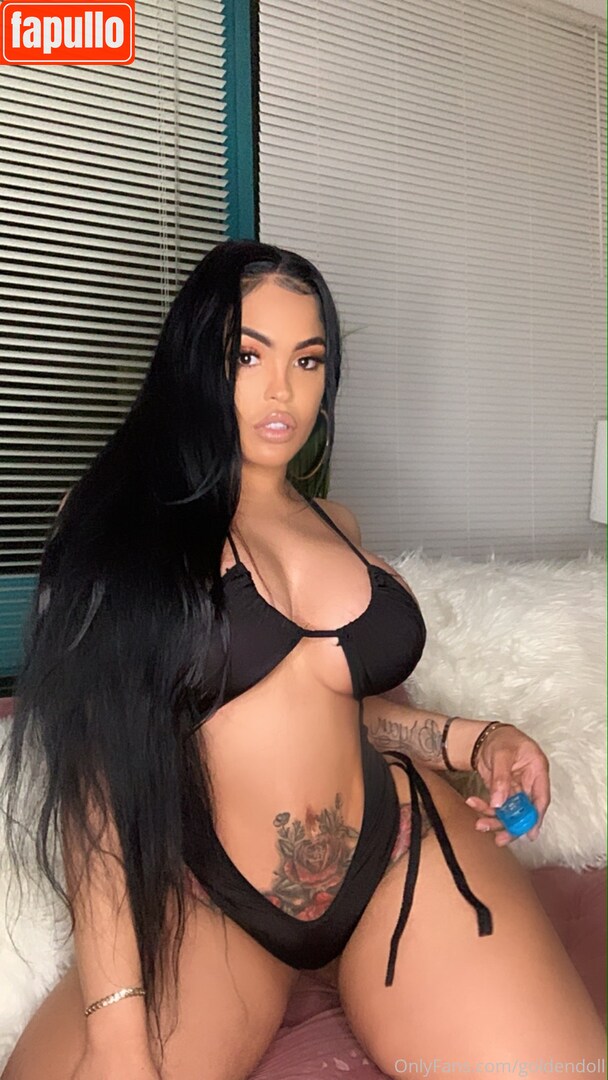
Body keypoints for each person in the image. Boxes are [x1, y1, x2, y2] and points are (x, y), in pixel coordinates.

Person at [2, 240, 605, 1080]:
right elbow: (97, 784)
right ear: (194, 363)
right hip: (215, 897)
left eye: (308, 359)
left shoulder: (336, 525)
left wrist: (473, 739)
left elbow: (324, 706)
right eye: (248, 356)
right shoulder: (117, 526)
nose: (283, 389)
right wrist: (117, 1033)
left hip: (398, 846)